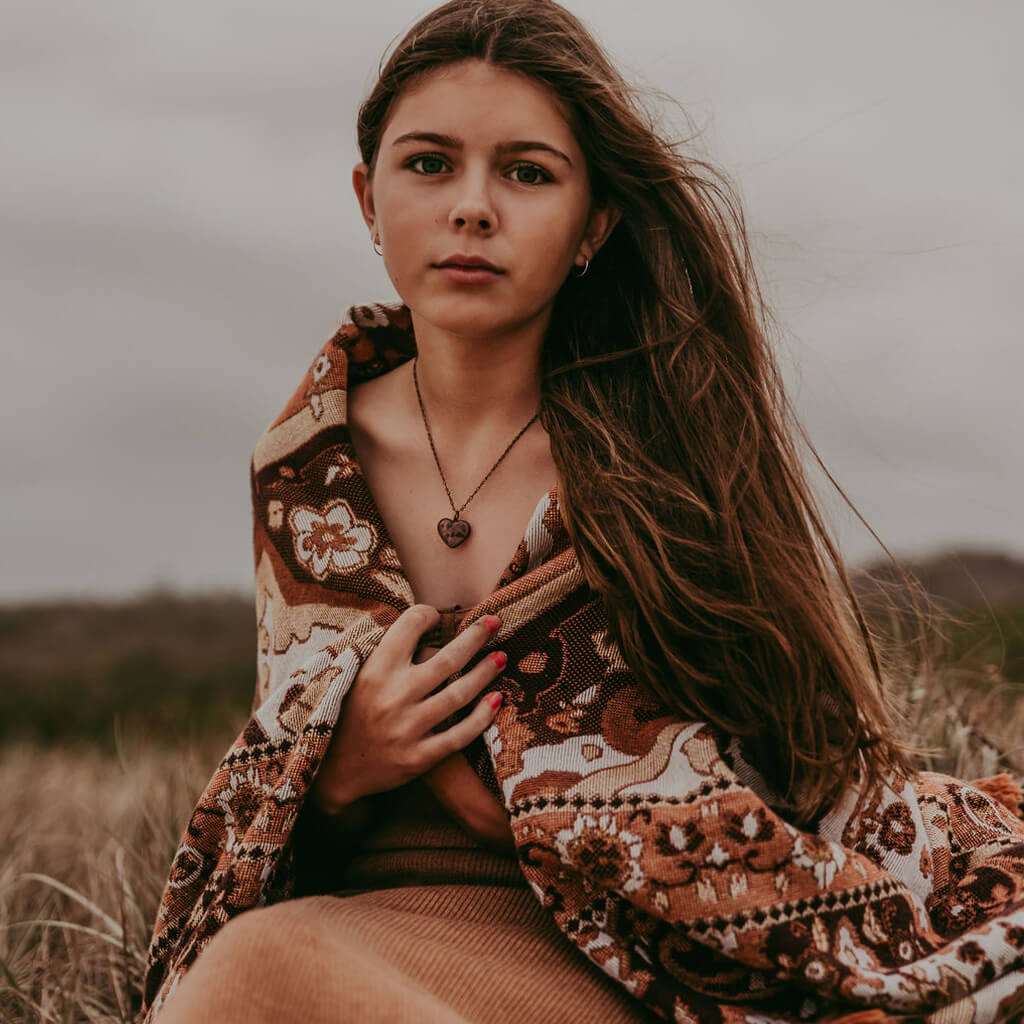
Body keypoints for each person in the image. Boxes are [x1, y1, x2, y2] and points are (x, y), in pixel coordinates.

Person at [142, 2, 1024, 1022]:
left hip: (618, 950)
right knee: (251, 972)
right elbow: (285, 810)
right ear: (367, 200)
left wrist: (541, 801)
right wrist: (338, 770)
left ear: (592, 225)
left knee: (257, 977)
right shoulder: (301, 470)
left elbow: (789, 751)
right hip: (372, 928)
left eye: (527, 172)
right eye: (429, 164)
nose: (472, 207)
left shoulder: (663, 458)